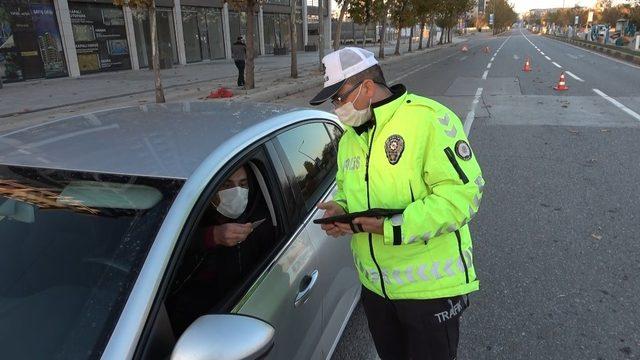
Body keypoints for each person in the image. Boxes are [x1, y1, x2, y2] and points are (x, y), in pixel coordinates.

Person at [310, 47, 485, 360]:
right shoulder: (350, 137)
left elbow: (462, 196)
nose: (337, 108)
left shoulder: (428, 119)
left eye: (339, 97)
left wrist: (390, 227)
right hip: (376, 289)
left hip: (429, 292)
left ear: (366, 86)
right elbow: (350, 190)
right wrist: (341, 209)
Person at [167, 164, 275, 334]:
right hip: (202, 323)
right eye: (227, 185)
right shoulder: (188, 217)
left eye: (243, 184)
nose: (237, 191)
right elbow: (167, 250)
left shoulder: (261, 217)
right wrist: (213, 236)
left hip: (248, 313)